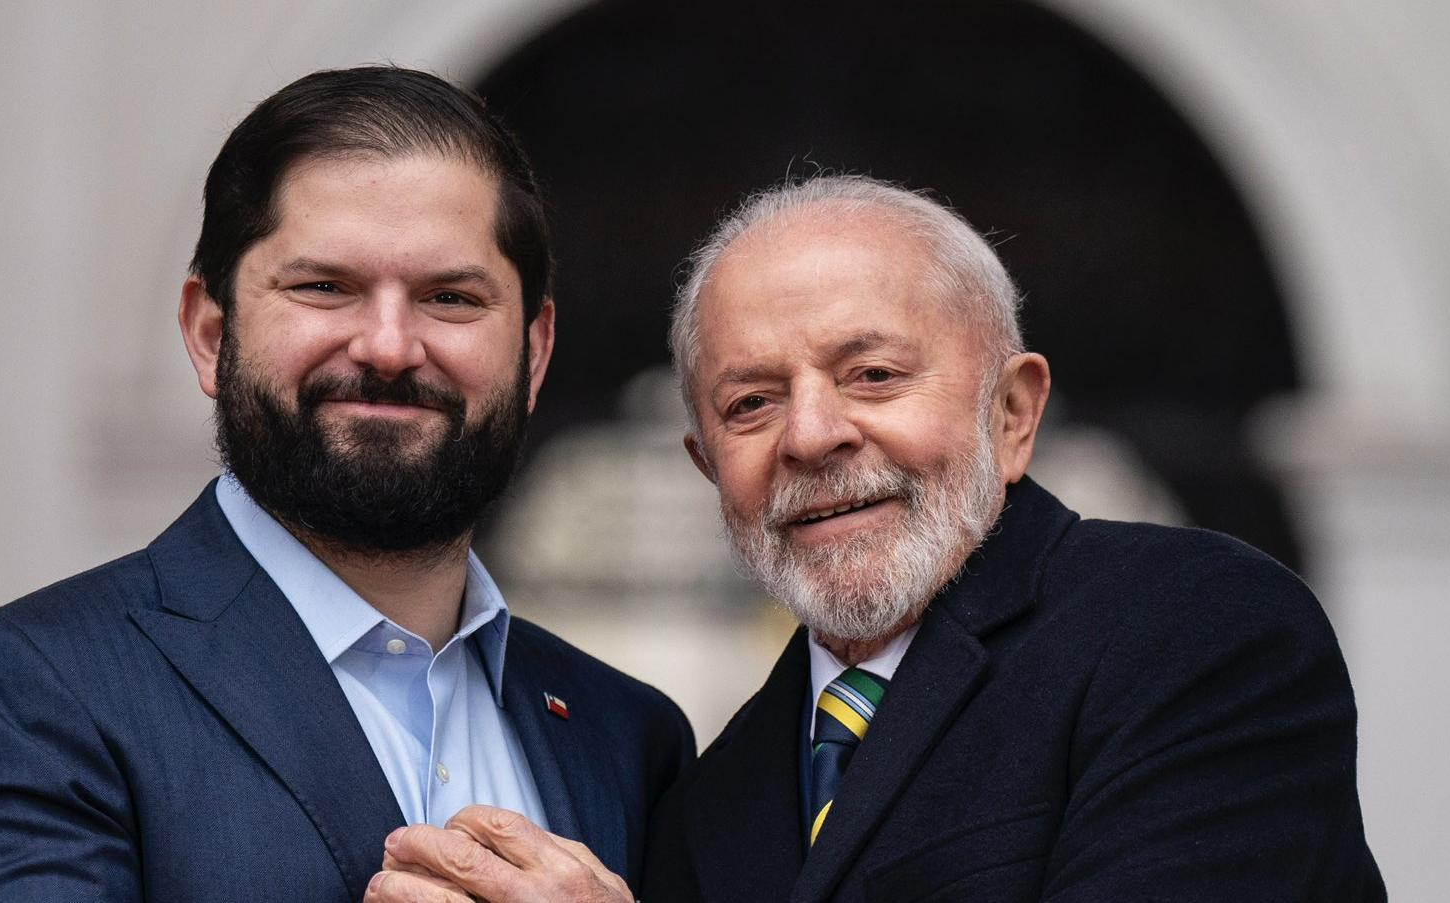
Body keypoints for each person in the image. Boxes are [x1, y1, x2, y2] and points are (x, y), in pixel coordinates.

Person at [368, 175, 1383, 902]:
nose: (812, 436)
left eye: (874, 376)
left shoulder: (1192, 632)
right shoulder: (712, 796)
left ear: (1014, 414)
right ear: (706, 468)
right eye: (752, 402)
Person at [0, 66, 693, 902]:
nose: (389, 346)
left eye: (450, 297)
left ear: (536, 354)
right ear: (210, 333)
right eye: (325, 288)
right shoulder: (29, 693)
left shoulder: (629, 736)